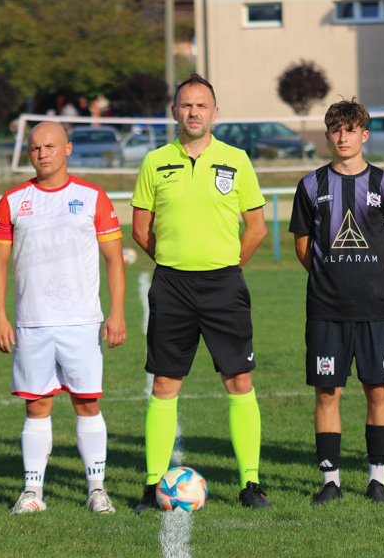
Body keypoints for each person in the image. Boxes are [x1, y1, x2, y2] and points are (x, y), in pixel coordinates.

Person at [131, 73, 270, 511]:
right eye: (185, 105)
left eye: (201, 105)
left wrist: (227, 266)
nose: (193, 112)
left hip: (223, 284)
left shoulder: (237, 160)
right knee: (165, 384)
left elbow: (256, 227)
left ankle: (251, 483)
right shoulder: (155, 162)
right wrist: (174, 261)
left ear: (215, 113)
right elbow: (139, 228)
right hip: (172, 285)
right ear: (174, 112)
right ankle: (153, 486)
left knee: (239, 379)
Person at [0, 121, 126, 515]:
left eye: (50, 146)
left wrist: (116, 313)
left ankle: (96, 489)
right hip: (32, 322)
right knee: (36, 407)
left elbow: (115, 260)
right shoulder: (13, 201)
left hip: (82, 322)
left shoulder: (93, 197)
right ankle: (33, 492)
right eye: (35, 148)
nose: (42, 153)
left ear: (68, 148)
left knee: (87, 403)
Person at [290, 99, 384, 506]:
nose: (343, 137)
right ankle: (331, 481)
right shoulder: (309, 186)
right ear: (327, 136)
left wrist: (373, 278)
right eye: (336, 130)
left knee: (378, 391)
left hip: (375, 309)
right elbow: (303, 245)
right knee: (327, 393)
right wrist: (327, 279)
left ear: (364, 135)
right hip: (326, 311)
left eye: (351, 129)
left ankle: (377, 479)